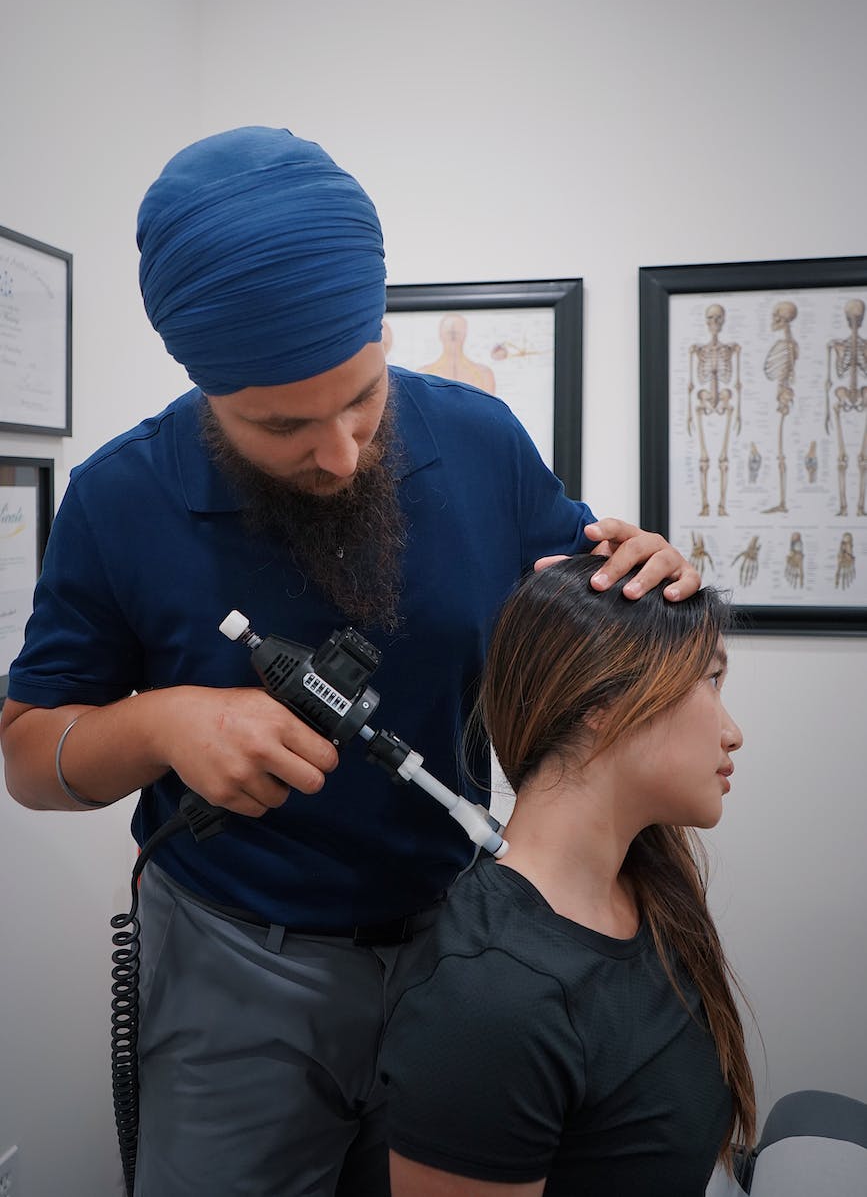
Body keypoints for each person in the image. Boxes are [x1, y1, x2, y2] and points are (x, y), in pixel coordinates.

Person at [0, 126, 701, 1197]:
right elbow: (27, 757)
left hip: (460, 943)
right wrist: (162, 725)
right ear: (207, 390)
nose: (338, 452)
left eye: (364, 397)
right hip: (233, 964)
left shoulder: (480, 440)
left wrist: (635, 563)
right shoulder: (117, 500)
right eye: (283, 425)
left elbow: (580, 587)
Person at [382, 554, 755, 1196]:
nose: (733, 733)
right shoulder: (490, 1001)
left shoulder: (651, 890)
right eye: (711, 680)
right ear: (604, 703)